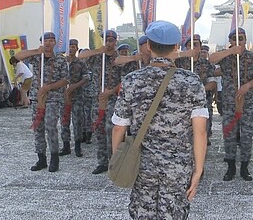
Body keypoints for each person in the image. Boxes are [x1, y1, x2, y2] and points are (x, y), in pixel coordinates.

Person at [111, 20, 208, 219]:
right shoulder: (191, 81)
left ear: (148, 46)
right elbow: (200, 131)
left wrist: (119, 159)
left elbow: (119, 128)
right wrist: (198, 170)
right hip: (178, 166)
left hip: (142, 164)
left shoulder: (132, 80)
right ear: (176, 47)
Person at [209, 27, 253, 182]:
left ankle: (245, 167)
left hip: (247, 103)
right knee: (229, 135)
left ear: (246, 40)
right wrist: (230, 51)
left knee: (247, 135)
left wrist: (248, 85)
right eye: (235, 39)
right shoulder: (226, 57)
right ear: (230, 41)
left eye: (241, 38)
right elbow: (211, 59)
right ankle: (231, 166)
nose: (238, 41)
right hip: (229, 103)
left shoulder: (252, 57)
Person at [16, 32, 69, 172]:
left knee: (51, 126)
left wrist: (49, 87)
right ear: (42, 42)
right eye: (46, 40)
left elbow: (65, 80)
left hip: (53, 97)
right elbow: (17, 57)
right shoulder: (36, 57)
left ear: (55, 43)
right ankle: (41, 158)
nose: (49, 43)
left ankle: (54, 157)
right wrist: (35, 51)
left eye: (52, 40)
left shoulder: (60, 59)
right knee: (38, 127)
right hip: (37, 97)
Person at [78, 30, 122, 175]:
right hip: (97, 100)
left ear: (116, 41)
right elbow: (81, 56)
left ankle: (114, 162)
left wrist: (110, 91)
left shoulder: (119, 58)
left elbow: (124, 81)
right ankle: (102, 162)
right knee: (99, 130)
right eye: (107, 40)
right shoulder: (97, 57)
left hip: (113, 100)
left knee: (111, 130)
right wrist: (98, 50)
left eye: (112, 40)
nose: (109, 43)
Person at [175, 35, 216, 145]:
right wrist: (183, 54)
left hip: (202, 102)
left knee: (203, 135)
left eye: (196, 45)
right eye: (190, 45)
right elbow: (164, 57)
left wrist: (197, 89)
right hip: (182, 103)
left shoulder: (206, 64)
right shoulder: (179, 62)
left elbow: (212, 83)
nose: (193, 47)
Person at [62, 39, 89, 157]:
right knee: (64, 121)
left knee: (77, 121)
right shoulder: (62, 62)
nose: (71, 48)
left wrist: (74, 86)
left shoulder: (81, 63)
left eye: (74, 46)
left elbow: (86, 77)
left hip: (77, 96)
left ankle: (77, 146)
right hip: (63, 96)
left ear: (77, 48)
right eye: (69, 46)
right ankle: (66, 145)